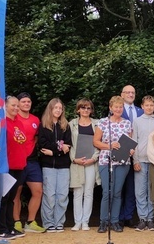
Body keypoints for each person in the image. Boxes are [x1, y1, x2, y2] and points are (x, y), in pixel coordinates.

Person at [93, 96, 135, 233]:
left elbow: (129, 141)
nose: (118, 109)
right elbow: (96, 142)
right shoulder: (103, 122)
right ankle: (103, 221)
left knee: (117, 192)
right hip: (106, 160)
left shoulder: (127, 123)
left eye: (120, 107)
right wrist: (110, 145)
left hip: (123, 161)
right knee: (107, 192)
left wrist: (131, 149)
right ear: (110, 108)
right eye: (116, 107)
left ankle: (115, 221)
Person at [38, 98, 72, 233]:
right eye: (55, 108)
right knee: (49, 195)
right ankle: (48, 222)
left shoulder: (65, 126)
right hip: (48, 166)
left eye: (60, 108)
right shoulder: (43, 125)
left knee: (62, 195)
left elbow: (68, 145)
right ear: (50, 109)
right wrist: (58, 149)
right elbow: (42, 145)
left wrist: (53, 152)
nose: (58, 110)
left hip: (63, 166)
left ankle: (59, 222)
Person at [13, 92, 45, 234]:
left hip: (31, 161)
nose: (26, 104)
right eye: (24, 101)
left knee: (38, 191)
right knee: (16, 192)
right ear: (18, 104)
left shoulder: (35, 120)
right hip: (16, 160)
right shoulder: (13, 118)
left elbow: (36, 138)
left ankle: (31, 222)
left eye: (28, 101)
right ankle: (16, 221)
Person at [0, 96, 28, 240]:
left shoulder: (19, 123)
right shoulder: (2, 123)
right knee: (3, 198)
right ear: (5, 106)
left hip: (19, 166)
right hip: (6, 167)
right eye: (13, 105)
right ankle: (1, 229)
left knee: (12, 199)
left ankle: (10, 227)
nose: (16, 108)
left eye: (17, 105)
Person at [68, 98, 100, 231]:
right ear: (78, 110)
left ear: (91, 110)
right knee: (77, 192)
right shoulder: (71, 124)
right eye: (83, 108)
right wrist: (74, 159)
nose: (85, 110)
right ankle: (77, 222)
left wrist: (93, 159)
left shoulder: (97, 124)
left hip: (91, 162)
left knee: (88, 192)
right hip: (76, 163)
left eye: (88, 108)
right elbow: (68, 145)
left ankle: (85, 221)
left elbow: (99, 143)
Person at [132, 96, 154, 231]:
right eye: (146, 105)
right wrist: (135, 160)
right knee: (140, 191)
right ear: (142, 106)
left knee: (152, 190)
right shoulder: (137, 121)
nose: (149, 107)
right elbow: (134, 141)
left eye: (151, 105)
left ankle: (150, 218)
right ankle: (142, 218)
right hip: (141, 159)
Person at [120, 85, 143, 228]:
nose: (130, 94)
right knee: (120, 187)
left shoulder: (141, 111)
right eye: (127, 92)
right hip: (122, 152)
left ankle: (128, 216)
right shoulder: (117, 110)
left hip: (138, 153)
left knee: (132, 188)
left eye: (133, 92)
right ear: (121, 95)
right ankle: (118, 217)